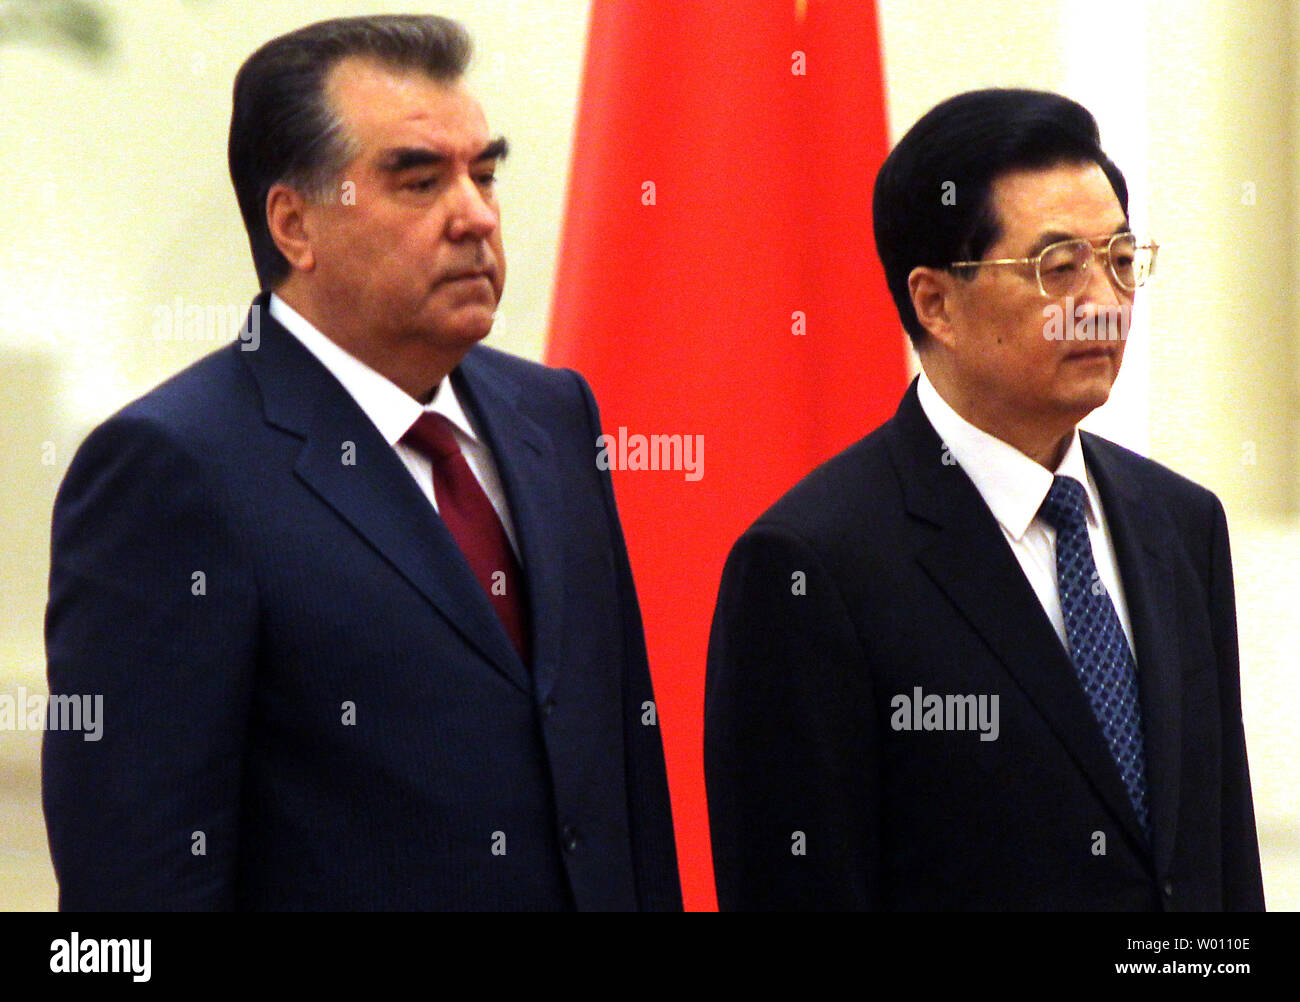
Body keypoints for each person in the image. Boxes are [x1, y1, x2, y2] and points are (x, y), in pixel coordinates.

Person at [43, 14, 681, 911]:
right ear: (295, 225)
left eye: (485, 174)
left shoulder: (556, 416)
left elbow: (622, 783)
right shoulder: (172, 470)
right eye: (419, 182)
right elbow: (136, 884)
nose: (476, 216)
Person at [705, 88, 1265, 911]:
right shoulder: (813, 568)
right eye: (1057, 267)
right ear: (935, 302)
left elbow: (1217, 860)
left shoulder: (1179, 524)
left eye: (1118, 258)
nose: (1105, 305)